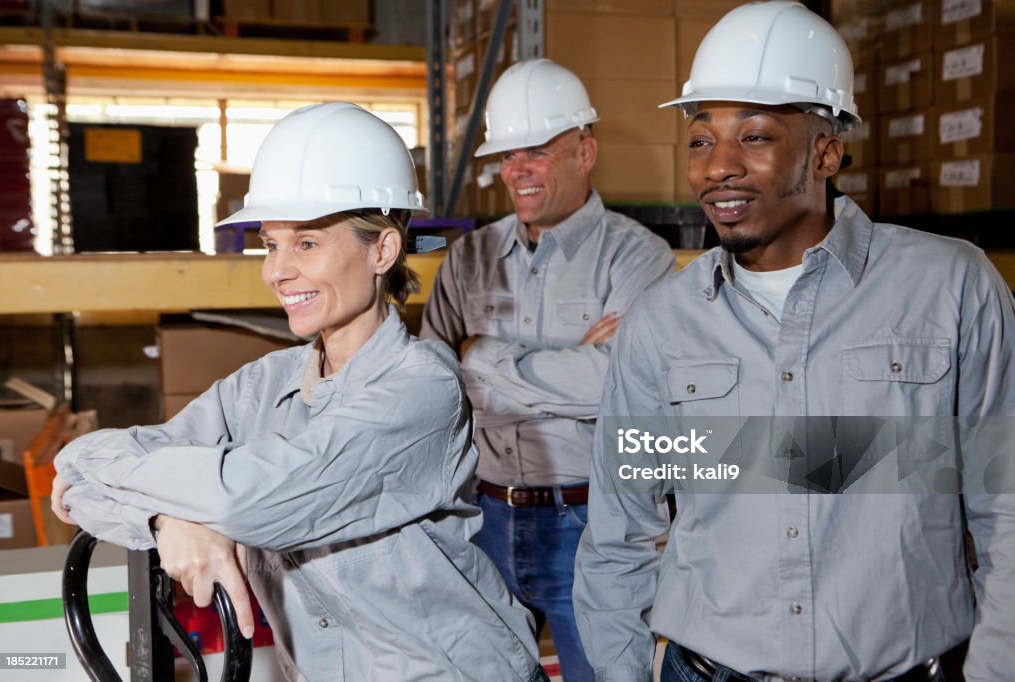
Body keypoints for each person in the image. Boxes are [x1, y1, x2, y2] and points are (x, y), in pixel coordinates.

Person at [573, 2, 1015, 681]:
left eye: (753, 137)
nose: (716, 166)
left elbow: (1006, 505)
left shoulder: (950, 288)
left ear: (826, 151)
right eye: (698, 139)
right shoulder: (662, 324)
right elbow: (617, 538)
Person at [51, 102, 549, 682]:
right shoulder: (263, 385)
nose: (277, 272)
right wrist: (167, 519)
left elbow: (250, 502)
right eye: (271, 244)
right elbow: (76, 471)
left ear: (382, 251)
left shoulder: (423, 390)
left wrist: (169, 498)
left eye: (306, 244)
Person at [421, 58, 675, 681]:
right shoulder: (470, 258)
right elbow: (426, 387)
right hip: (483, 518)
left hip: (594, 523)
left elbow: (621, 387)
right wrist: (572, 372)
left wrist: (478, 358)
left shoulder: (639, 258)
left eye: (535, 151)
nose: (517, 172)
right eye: (508, 156)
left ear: (584, 151)